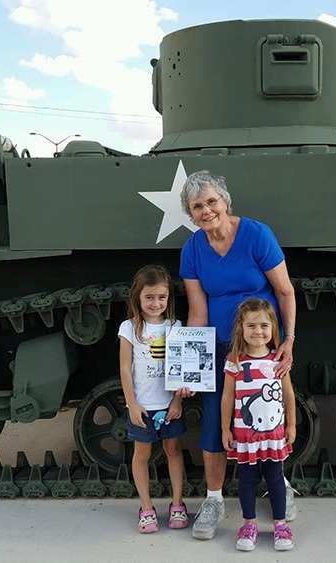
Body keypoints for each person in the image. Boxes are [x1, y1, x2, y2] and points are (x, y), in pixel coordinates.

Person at [178, 170, 298, 540]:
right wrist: (188, 369)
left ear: (225, 201)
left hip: (261, 346)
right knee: (217, 417)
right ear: (191, 213)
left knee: (269, 413)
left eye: (211, 201)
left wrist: (289, 340)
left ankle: (280, 485)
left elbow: (285, 291)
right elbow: (197, 313)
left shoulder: (257, 235)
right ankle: (214, 499)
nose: (206, 210)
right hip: (219, 348)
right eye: (197, 206)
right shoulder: (193, 249)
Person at [222, 299, 296, 551]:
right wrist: (225, 428)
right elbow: (227, 397)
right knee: (247, 479)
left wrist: (292, 425)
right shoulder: (234, 361)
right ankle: (249, 523)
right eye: (251, 325)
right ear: (241, 329)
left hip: (274, 435)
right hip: (245, 436)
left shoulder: (278, 360)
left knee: (275, 478)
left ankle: (280, 524)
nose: (258, 331)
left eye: (264, 325)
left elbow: (288, 395)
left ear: (273, 328)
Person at [118, 265, 187, 533]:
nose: (155, 303)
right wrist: (131, 403)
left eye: (161, 297)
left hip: (169, 404)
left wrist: (178, 401)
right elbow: (125, 367)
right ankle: (146, 507)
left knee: (173, 450)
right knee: (142, 454)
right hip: (142, 406)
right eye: (149, 297)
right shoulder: (129, 328)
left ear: (168, 298)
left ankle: (177, 503)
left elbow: (181, 368)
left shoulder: (175, 327)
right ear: (137, 297)